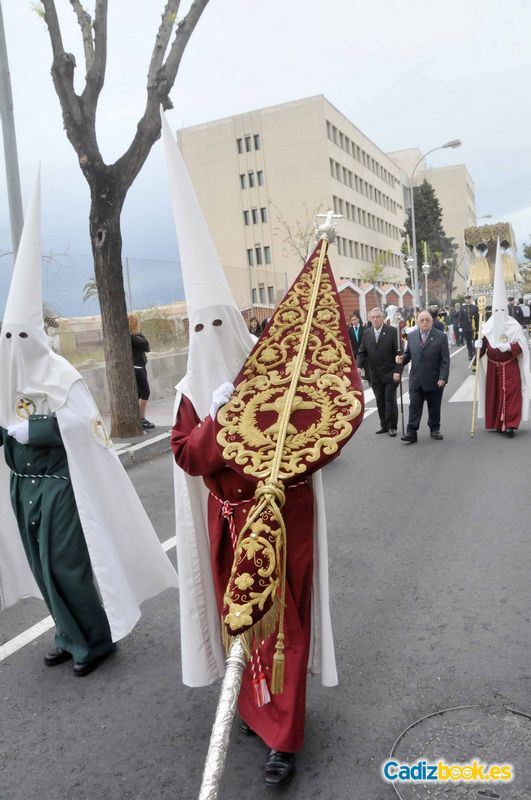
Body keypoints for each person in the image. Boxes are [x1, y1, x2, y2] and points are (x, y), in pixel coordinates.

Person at [161, 114, 346, 787]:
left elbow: (318, 443)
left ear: (235, 324)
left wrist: (262, 424)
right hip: (224, 523)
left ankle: (283, 734)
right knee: (237, 616)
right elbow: (185, 456)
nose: (209, 334)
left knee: (283, 622)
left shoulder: (274, 375)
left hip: (283, 517)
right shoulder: (191, 387)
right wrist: (215, 421)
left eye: (219, 322)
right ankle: (250, 702)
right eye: (198, 325)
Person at [0, 175, 178, 676]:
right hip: (23, 487)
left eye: (20, 334)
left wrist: (30, 431)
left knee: (66, 566)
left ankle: (94, 641)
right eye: (6, 335)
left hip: (57, 485)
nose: (13, 342)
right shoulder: (6, 374)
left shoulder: (61, 374)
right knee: (41, 568)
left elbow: (83, 425)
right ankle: (65, 631)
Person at [475, 242, 530, 436]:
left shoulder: (514, 325)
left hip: (510, 365)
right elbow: (480, 350)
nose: (498, 313)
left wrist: (511, 347)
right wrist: (478, 347)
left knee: (512, 395)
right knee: (496, 396)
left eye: (501, 310)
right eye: (495, 310)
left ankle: (512, 424)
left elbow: (523, 346)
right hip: (493, 367)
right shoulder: (487, 325)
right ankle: (499, 423)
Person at [396, 309, 450, 443]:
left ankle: (434, 429)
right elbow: (408, 354)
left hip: (434, 379)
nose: (425, 322)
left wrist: (443, 378)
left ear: (432, 322)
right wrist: (402, 359)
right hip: (416, 379)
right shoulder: (412, 335)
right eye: (422, 320)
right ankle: (411, 432)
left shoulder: (441, 336)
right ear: (417, 322)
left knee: (434, 406)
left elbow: (445, 360)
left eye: (427, 320)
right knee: (414, 406)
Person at [357, 307, 402, 437]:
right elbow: (362, 352)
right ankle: (384, 424)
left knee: (389, 399)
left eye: (378, 317)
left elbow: (399, 353)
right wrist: (358, 366)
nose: (375, 319)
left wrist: (397, 371)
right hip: (374, 374)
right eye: (373, 317)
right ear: (370, 319)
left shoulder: (392, 331)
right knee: (380, 400)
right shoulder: (367, 333)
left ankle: (392, 426)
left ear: (383, 318)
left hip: (390, 372)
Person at [128, 313, 155, 429]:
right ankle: (141, 419)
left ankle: (138, 418)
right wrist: (138, 334)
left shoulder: (133, 336)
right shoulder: (132, 337)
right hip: (137, 368)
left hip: (138, 367)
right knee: (145, 392)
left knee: (139, 393)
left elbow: (147, 348)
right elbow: (146, 344)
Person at [460, 295, 479, 360]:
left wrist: (478, 327)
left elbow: (477, 318)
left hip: (473, 328)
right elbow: (461, 318)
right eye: (466, 299)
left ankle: (475, 353)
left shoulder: (475, 307)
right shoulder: (462, 308)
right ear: (465, 300)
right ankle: (470, 354)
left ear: (470, 299)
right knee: (468, 342)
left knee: (474, 341)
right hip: (465, 327)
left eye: (469, 299)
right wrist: (460, 327)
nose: (468, 300)